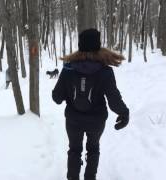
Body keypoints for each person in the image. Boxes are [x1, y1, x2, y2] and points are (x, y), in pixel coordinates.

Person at [52, 28, 129, 180]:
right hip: (97, 121)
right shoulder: (105, 71)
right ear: (98, 46)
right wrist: (124, 112)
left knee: (74, 150)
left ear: (80, 45)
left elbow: (57, 98)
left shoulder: (68, 68)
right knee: (93, 149)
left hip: (73, 120)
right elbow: (113, 100)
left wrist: (66, 89)